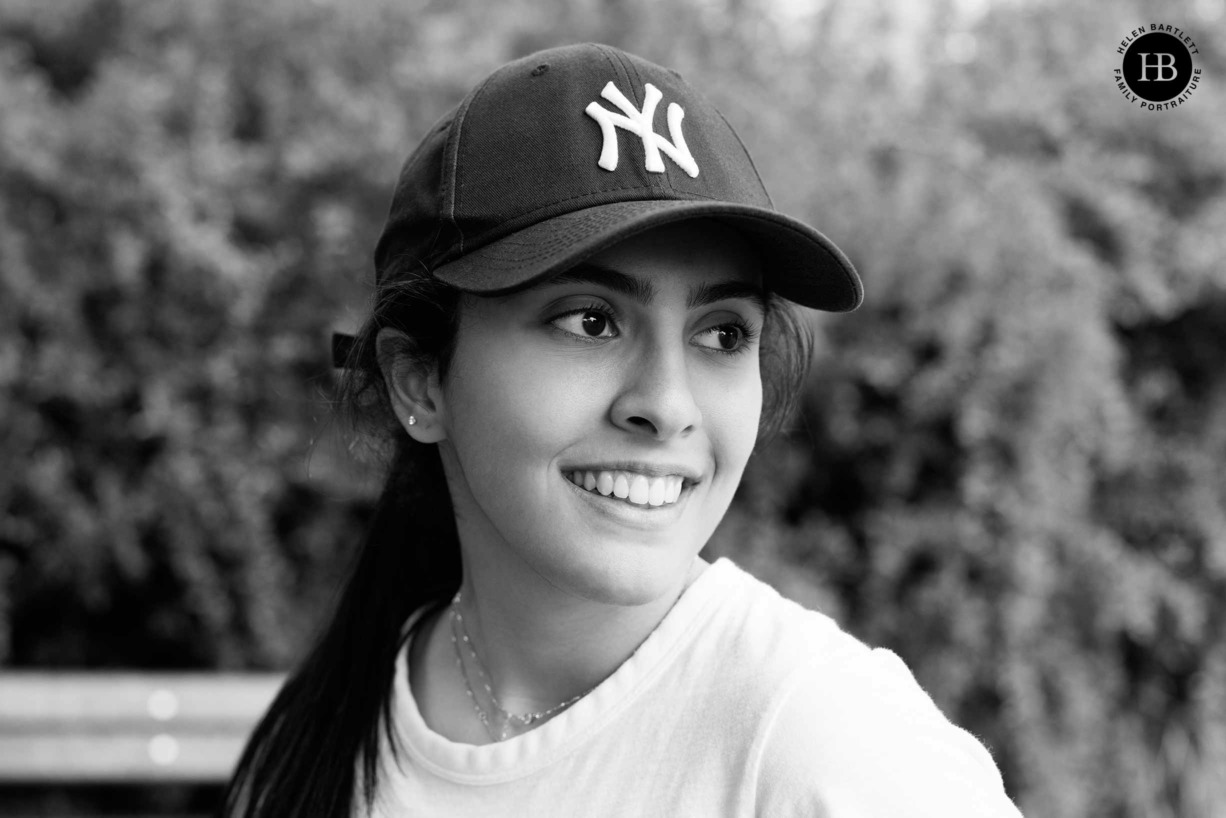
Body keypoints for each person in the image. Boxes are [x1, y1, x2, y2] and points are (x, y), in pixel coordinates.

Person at [221, 43, 1024, 817]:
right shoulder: (328, 733)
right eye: (593, 320)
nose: (668, 405)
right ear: (418, 380)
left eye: (722, 333)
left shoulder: (826, 744)